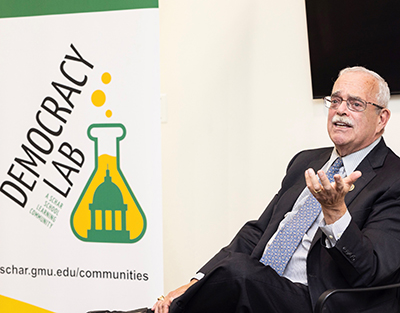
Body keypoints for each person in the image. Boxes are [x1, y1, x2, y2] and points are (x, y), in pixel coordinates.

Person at [92, 66, 400, 313]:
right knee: (238, 273)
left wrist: (335, 213)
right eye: (335, 100)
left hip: (318, 298)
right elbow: (258, 232)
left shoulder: (393, 179)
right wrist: (193, 283)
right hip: (261, 284)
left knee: (239, 273)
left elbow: (370, 271)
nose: (340, 111)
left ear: (381, 119)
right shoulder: (306, 161)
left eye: (355, 104)